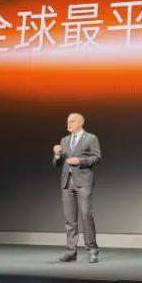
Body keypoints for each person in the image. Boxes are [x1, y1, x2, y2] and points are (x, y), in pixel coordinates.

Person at [52, 112, 101, 262]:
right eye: (68, 121)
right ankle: (71, 251)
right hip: (67, 183)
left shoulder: (91, 138)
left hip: (83, 182)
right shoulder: (64, 140)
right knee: (70, 219)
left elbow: (97, 157)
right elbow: (57, 164)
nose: (69, 124)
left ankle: (92, 249)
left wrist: (80, 160)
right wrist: (57, 155)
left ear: (81, 122)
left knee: (86, 215)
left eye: (72, 121)